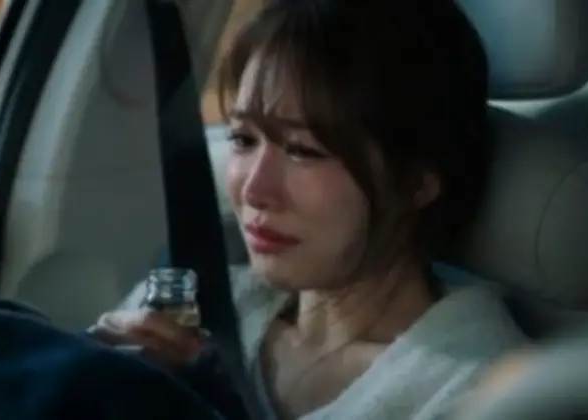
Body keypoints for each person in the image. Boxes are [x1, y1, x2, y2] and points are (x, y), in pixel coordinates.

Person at [90, 0, 527, 419]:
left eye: (303, 150)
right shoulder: (194, 308)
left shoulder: (480, 394)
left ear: (415, 181)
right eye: (243, 139)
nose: (255, 190)